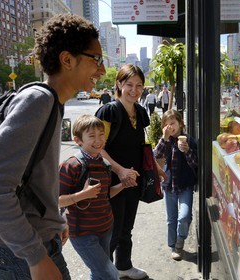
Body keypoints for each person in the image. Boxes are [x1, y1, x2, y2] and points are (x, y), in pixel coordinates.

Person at [0, 13, 106, 279]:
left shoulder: (51, 103)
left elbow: (34, 179)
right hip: (21, 254)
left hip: (33, 244)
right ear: (67, 60)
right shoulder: (39, 101)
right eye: (96, 59)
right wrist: (35, 255)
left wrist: (54, 220)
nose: (101, 70)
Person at [95, 64, 166, 279]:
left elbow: (142, 145)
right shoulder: (109, 111)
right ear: (119, 84)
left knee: (127, 228)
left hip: (134, 179)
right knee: (112, 231)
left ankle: (123, 266)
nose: (134, 90)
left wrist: (155, 167)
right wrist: (120, 170)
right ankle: (103, 273)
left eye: (139, 86)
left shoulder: (141, 112)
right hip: (113, 180)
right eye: (129, 85)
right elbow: (97, 147)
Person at [59, 114, 131, 280]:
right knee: (110, 274)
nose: (98, 140)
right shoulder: (71, 165)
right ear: (78, 140)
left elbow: (105, 195)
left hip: (105, 227)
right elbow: (57, 199)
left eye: (101, 135)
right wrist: (83, 194)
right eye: (92, 136)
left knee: (98, 274)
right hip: (83, 233)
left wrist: (123, 185)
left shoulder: (104, 163)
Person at [153, 110, 198, 261]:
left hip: (185, 185)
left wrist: (186, 151)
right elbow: (156, 157)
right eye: (167, 124)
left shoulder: (189, 141)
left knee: (184, 216)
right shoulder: (165, 141)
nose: (170, 127)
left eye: (173, 123)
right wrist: (164, 138)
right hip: (168, 185)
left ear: (180, 123)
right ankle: (174, 247)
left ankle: (180, 240)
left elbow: (195, 164)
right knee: (171, 218)